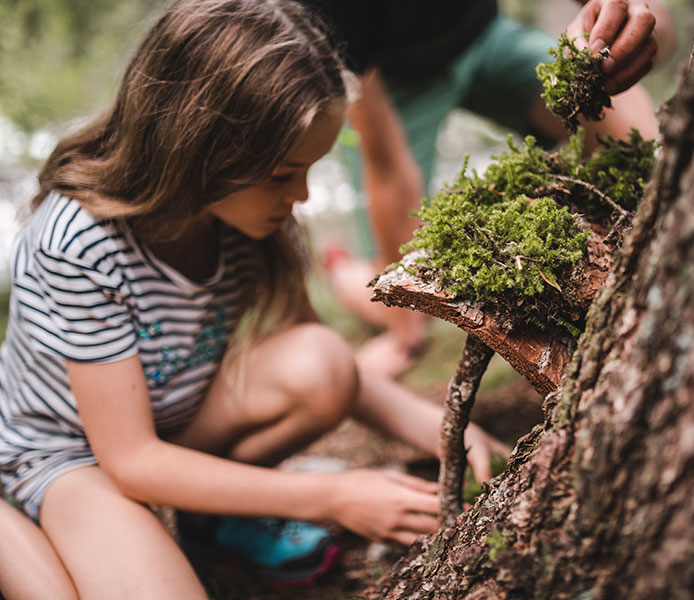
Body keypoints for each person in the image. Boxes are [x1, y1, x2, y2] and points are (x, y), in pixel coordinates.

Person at [0, 0, 507, 597]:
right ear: (200, 148)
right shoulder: (80, 240)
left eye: (309, 169)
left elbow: (337, 373)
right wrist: (333, 497)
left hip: (174, 432)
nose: (302, 195)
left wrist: (451, 433)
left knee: (318, 359)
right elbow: (130, 460)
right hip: (71, 458)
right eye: (283, 174)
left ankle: (204, 515)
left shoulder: (243, 220)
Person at [308, 0, 677, 377]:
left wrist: (635, 25)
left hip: (484, 36)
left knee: (640, 157)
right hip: (391, 81)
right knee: (404, 296)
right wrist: (406, 337)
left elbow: (654, 23)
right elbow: (386, 163)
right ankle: (340, 268)